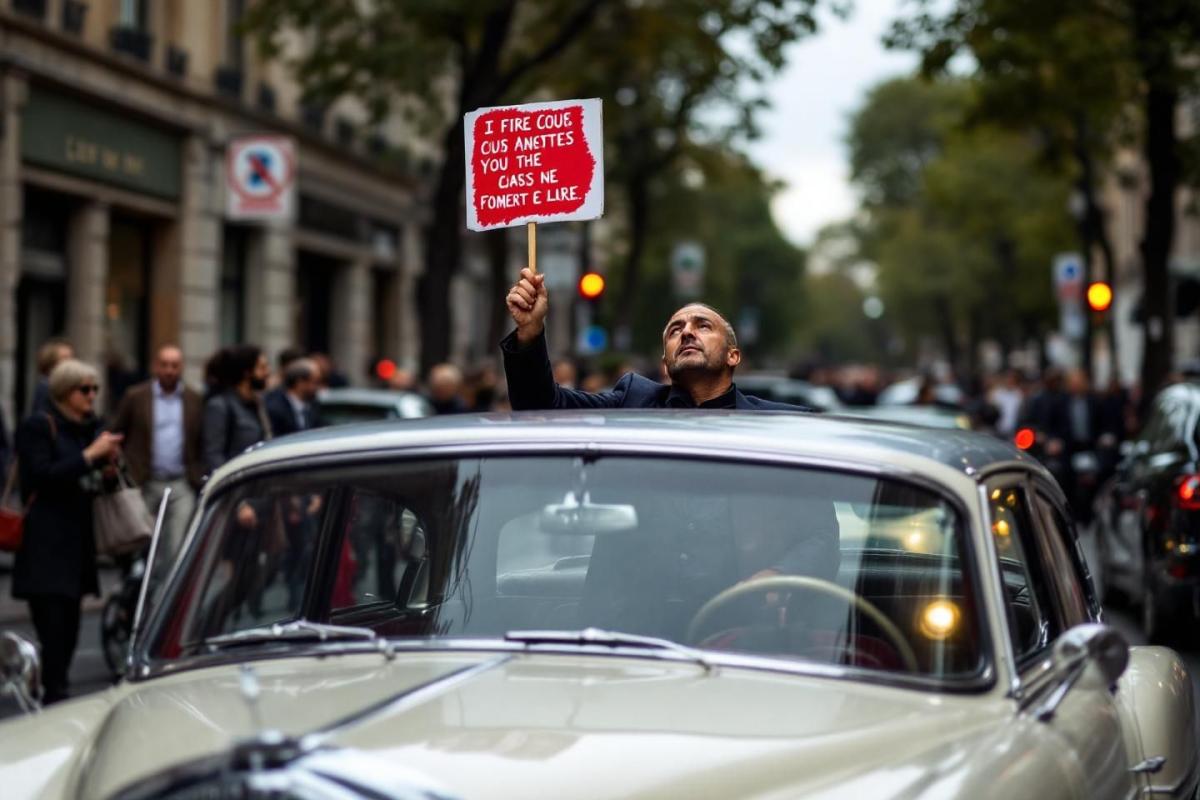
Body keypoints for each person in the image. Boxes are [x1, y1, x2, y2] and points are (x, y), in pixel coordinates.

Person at [502, 267, 811, 411]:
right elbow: (538, 406)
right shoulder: (632, 402)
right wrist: (530, 332)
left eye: (703, 326)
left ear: (733, 355)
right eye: (675, 331)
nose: (686, 332)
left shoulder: (778, 424)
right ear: (665, 363)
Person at [13, 359, 123, 703]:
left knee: (71, 633)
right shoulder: (38, 426)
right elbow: (42, 477)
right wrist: (89, 456)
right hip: (45, 544)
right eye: (84, 389)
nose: (91, 396)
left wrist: (109, 469)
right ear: (64, 392)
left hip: (77, 543)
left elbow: (96, 484)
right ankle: (52, 698)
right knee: (54, 634)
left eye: (95, 389)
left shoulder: (89, 429)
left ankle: (52, 689)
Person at [109, 345, 205, 559]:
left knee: (177, 545)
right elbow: (117, 432)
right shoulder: (136, 397)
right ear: (155, 366)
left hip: (181, 482)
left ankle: (167, 580)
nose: (169, 370)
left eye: (174, 365)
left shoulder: (194, 399)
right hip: (144, 480)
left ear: (182, 367)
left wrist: (198, 474)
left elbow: (201, 440)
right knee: (139, 543)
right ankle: (136, 577)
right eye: (164, 365)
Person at [203, 344, 272, 473]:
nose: (267, 372)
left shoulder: (258, 403)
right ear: (247, 373)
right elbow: (214, 455)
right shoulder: (220, 406)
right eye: (262, 368)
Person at [264, 358, 321, 437]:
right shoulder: (275, 408)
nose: (318, 387)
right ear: (300, 383)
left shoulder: (313, 404)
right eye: (315, 382)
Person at [30, 339, 73, 415]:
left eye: (71, 358)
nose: (71, 362)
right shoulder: (46, 386)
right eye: (65, 358)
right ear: (51, 361)